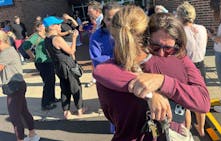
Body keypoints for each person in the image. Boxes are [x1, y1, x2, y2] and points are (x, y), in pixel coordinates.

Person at [94, 6, 210, 140]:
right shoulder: (178, 61)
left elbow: (111, 116)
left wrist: (160, 81)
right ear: (147, 34)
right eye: (157, 46)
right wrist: (153, 91)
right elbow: (203, 103)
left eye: (168, 48)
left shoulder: (106, 76)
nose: (162, 53)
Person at [0, 30, 40, 141]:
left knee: (14, 116)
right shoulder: (9, 50)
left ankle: (21, 139)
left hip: (14, 87)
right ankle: (32, 134)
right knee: (23, 111)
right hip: (18, 85)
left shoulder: (6, 53)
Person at [89, 1, 121, 133]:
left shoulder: (127, 33)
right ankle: (116, 129)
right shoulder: (97, 36)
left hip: (127, 79)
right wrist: (118, 60)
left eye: (116, 18)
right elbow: (97, 60)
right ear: (103, 18)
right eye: (109, 19)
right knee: (113, 108)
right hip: (108, 80)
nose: (112, 22)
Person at [43, 16, 84, 119]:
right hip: (67, 65)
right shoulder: (57, 39)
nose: (60, 25)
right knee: (75, 87)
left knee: (64, 88)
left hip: (58, 66)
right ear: (52, 26)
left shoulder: (46, 39)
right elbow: (71, 51)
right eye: (57, 24)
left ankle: (66, 111)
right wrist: (74, 38)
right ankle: (79, 109)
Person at [176, 1, 208, 136]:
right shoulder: (202, 28)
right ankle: (201, 128)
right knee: (199, 99)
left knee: (186, 100)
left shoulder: (180, 31)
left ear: (179, 15)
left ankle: (186, 130)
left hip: (186, 67)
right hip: (200, 65)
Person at [22, 21, 59, 110]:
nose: (44, 27)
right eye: (42, 26)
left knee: (52, 81)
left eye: (44, 25)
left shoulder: (46, 35)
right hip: (42, 63)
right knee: (47, 82)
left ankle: (52, 98)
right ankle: (45, 103)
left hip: (49, 61)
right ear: (38, 28)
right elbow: (26, 46)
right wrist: (33, 57)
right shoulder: (35, 36)